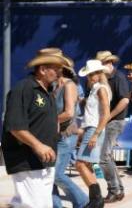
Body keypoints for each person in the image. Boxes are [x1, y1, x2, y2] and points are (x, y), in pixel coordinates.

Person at [1, 49, 68, 207]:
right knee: (33, 205)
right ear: (43, 69)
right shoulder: (24, 89)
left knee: (42, 204)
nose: (60, 72)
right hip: (27, 159)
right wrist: (38, 145)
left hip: (44, 160)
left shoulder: (48, 92)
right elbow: (14, 125)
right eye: (56, 68)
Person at [52, 49, 88, 208]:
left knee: (56, 174)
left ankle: (82, 201)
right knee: (48, 175)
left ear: (61, 68)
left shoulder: (69, 85)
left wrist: (47, 121)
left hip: (67, 136)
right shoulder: (53, 86)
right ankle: (55, 205)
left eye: (54, 66)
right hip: (53, 135)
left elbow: (69, 112)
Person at [76, 59, 112, 208]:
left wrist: (96, 134)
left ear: (99, 73)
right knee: (85, 165)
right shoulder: (95, 89)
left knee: (80, 164)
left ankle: (97, 199)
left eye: (93, 74)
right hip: (91, 129)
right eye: (89, 74)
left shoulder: (101, 89)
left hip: (95, 129)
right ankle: (95, 199)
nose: (90, 77)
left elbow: (106, 114)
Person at [96, 51, 130, 203]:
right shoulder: (105, 79)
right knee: (107, 157)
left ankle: (114, 190)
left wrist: (109, 116)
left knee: (103, 157)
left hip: (114, 121)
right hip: (109, 121)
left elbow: (125, 101)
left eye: (108, 62)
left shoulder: (118, 77)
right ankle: (119, 190)